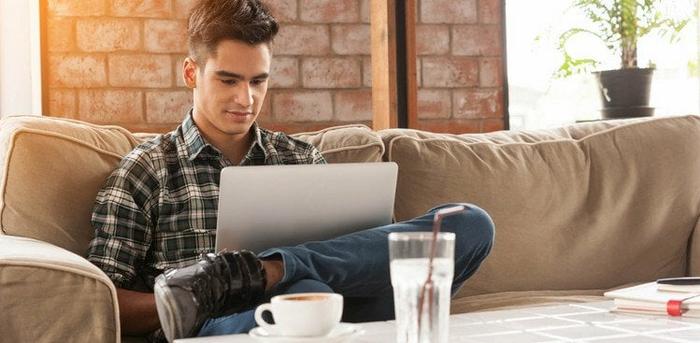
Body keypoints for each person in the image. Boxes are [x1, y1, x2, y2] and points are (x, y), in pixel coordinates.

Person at [86, 0, 495, 342]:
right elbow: (99, 302)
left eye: (258, 81)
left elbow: (370, 256)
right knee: (304, 293)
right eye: (228, 80)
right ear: (192, 72)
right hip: (234, 323)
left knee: (471, 222)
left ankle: (274, 270)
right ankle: (285, 281)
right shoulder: (147, 171)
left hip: (342, 303)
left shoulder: (300, 158)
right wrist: (200, 295)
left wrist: (274, 270)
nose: (245, 98)